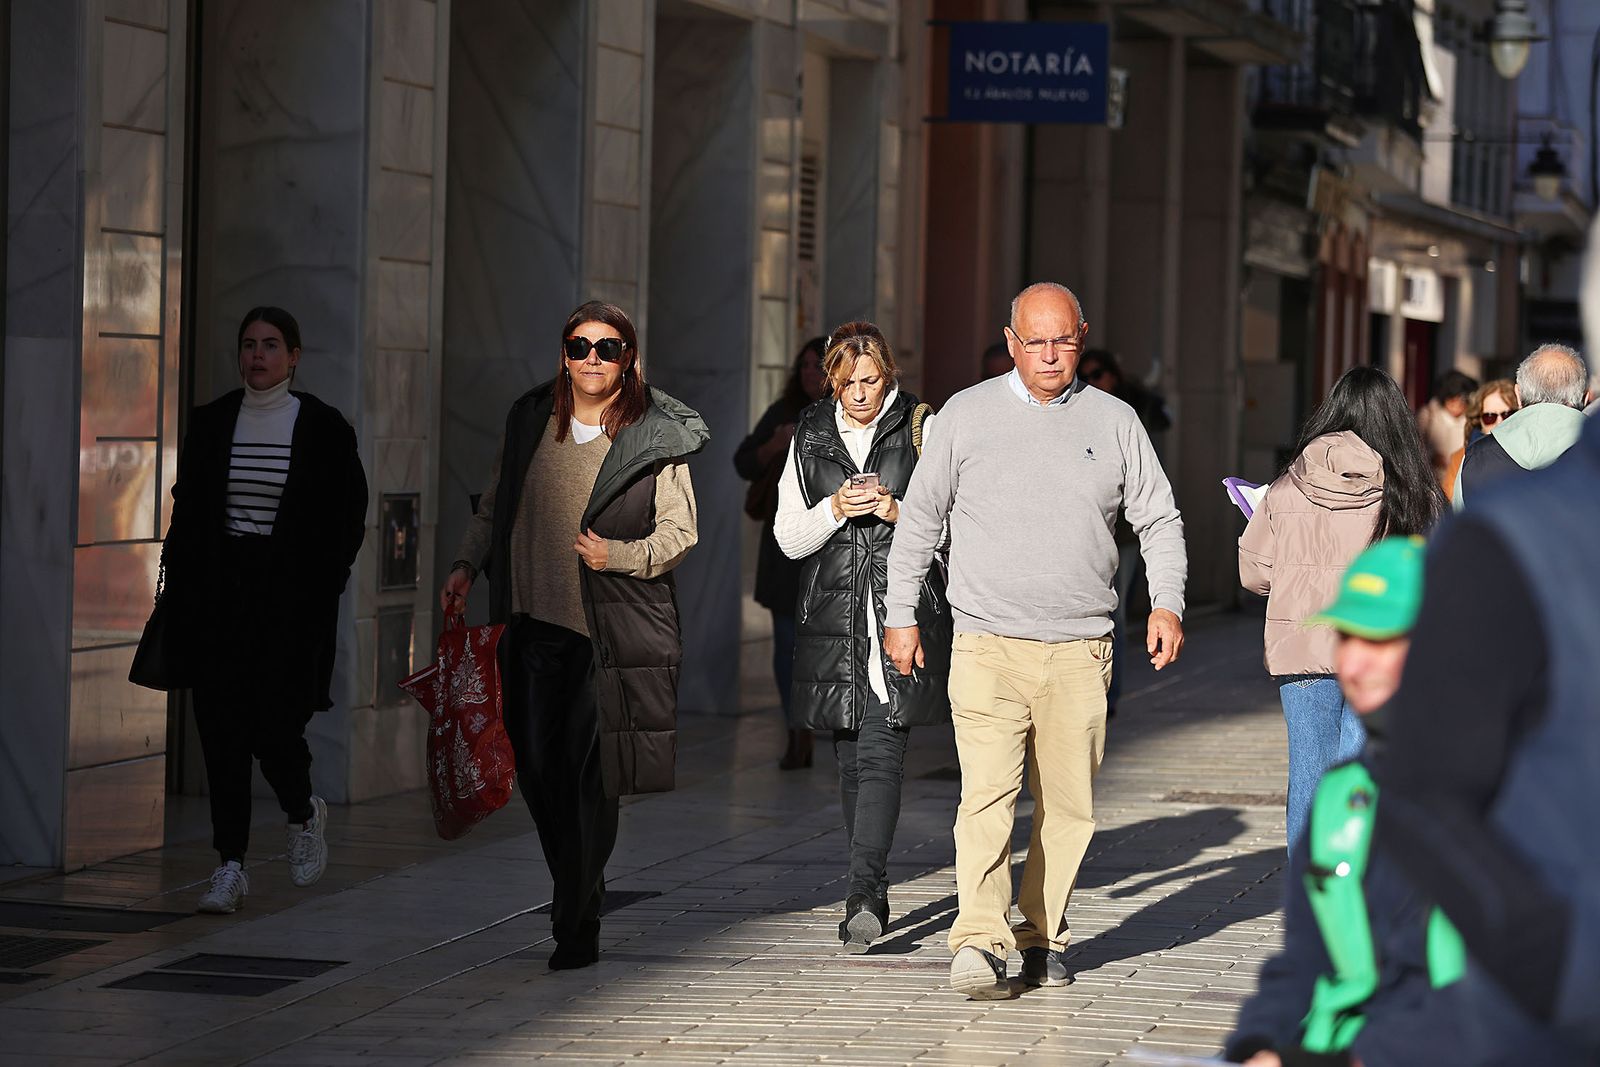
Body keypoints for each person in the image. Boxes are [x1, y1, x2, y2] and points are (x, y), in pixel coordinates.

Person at [882, 282, 1188, 997]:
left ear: (1082, 336)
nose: (1050, 354)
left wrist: (1165, 604)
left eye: (1064, 340)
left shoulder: (1115, 421)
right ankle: (979, 940)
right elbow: (921, 521)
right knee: (986, 796)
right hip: (987, 642)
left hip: (1082, 648)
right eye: (1036, 341)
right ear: (1011, 341)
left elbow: (1161, 519)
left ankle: (1041, 932)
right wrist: (901, 614)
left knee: (1069, 805)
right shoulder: (966, 414)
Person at [441, 300, 707, 971]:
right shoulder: (530, 416)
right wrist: (466, 566)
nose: (593, 357)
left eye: (608, 347)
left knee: (593, 781)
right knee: (537, 770)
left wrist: (616, 556)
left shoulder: (652, 432)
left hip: (610, 633)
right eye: (580, 345)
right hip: (532, 625)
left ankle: (575, 916)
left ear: (629, 358)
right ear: (564, 354)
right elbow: (498, 500)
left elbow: (681, 532)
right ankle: (579, 882)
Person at [1373, 412, 1600, 1064]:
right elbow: (1423, 786)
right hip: (1559, 1004)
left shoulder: (1482, 487)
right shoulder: (1509, 537)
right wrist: (1557, 960)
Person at [1225, 537, 1471, 1067]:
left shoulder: (1504, 797)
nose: (1355, 665)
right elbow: (1302, 962)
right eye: (1349, 637)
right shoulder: (1340, 797)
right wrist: (1258, 1042)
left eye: (1381, 640)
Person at [157, 306, 367, 915]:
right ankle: (229, 865)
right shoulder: (213, 421)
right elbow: (191, 504)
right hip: (220, 596)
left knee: (275, 728)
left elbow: (348, 514)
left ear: (294, 357)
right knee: (220, 733)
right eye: (248, 344)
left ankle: (302, 811)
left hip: (290, 601)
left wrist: (323, 580)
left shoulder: (324, 428)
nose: (258, 355)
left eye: (271, 345)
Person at [774, 322, 951, 952]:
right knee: (849, 759)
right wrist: (835, 510)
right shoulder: (811, 433)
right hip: (831, 619)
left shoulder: (921, 428)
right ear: (830, 378)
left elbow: (954, 529)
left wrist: (898, 511)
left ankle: (860, 895)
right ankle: (869, 892)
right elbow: (788, 537)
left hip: (898, 617)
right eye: (846, 382)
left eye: (871, 380)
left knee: (881, 751)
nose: (859, 394)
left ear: (890, 374)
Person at [1239, 366, 1445, 851]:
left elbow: (1254, 574)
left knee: (1309, 773)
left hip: (1303, 649)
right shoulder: (1413, 491)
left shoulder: (1287, 489)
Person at [734, 337, 829, 769]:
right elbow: (744, 462)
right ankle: (797, 731)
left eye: (820, 365)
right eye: (806, 365)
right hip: (784, 549)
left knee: (825, 646)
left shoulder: (848, 413)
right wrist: (776, 444)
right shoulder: (783, 413)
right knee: (786, 643)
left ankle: (829, 721)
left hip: (831, 549)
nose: (812, 373)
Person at [1076, 348, 1172, 717]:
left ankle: (1108, 695)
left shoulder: (1128, 413)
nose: (1092, 381)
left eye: (1098, 373)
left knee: (1113, 612)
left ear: (1113, 375)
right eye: (1086, 374)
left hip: (1125, 534)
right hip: (1088, 533)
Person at [1452, 343, 1591, 509]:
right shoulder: (1592, 453)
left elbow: (1458, 530)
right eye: (1489, 417)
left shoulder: (1474, 459)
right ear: (1585, 397)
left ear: (1517, 395)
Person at [1441, 378, 1517, 503]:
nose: (1499, 422)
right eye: (1489, 417)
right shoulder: (1460, 459)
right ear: (1478, 420)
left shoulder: (1533, 453)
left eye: (1507, 415)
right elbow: (1450, 508)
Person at [1416, 370, 1477, 488]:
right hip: (1433, 484)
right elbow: (1414, 448)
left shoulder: (1472, 418)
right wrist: (1432, 456)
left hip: (1461, 482)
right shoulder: (1428, 415)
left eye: (1461, 400)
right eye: (1453, 400)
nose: (1457, 405)